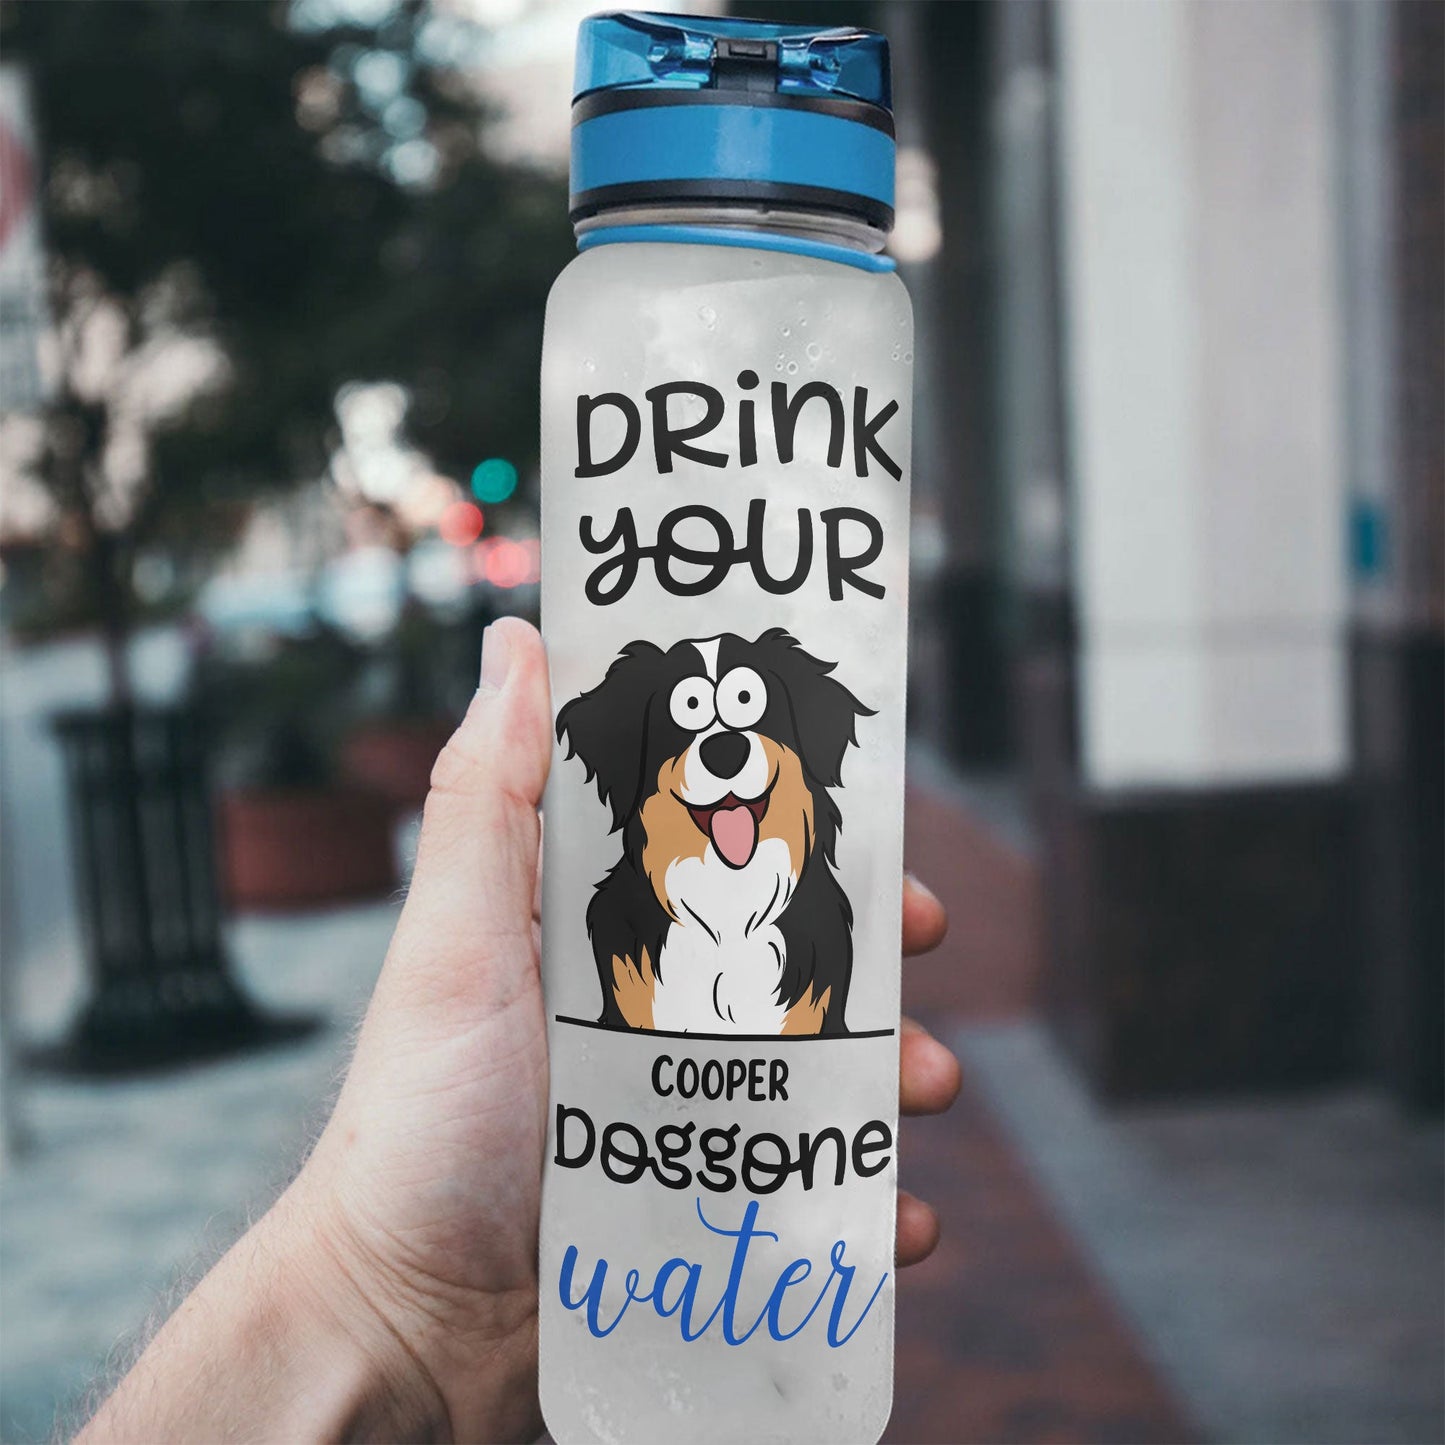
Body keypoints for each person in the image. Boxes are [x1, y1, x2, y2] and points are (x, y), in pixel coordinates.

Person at [78, 618, 961, 1444]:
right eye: (688, 724)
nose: (724, 746)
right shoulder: (616, 943)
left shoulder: (825, 930)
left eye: (749, 715)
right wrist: (370, 1291)